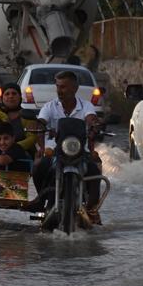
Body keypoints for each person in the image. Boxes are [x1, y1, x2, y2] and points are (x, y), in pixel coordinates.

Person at [32, 70, 103, 224]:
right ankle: (41, 199)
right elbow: (41, 122)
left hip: (79, 151)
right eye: (57, 86)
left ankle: (92, 207)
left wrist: (95, 124)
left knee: (95, 172)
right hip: (55, 151)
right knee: (38, 167)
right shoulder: (49, 106)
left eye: (63, 87)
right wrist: (41, 143)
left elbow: (91, 118)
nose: (59, 90)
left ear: (74, 88)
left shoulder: (86, 105)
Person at [0, 83, 38, 153]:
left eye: (14, 94)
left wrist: (11, 148)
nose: (10, 96)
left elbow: (32, 138)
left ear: (20, 97)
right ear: (2, 98)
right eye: (7, 94)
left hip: (21, 155)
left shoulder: (26, 115)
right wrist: (3, 116)